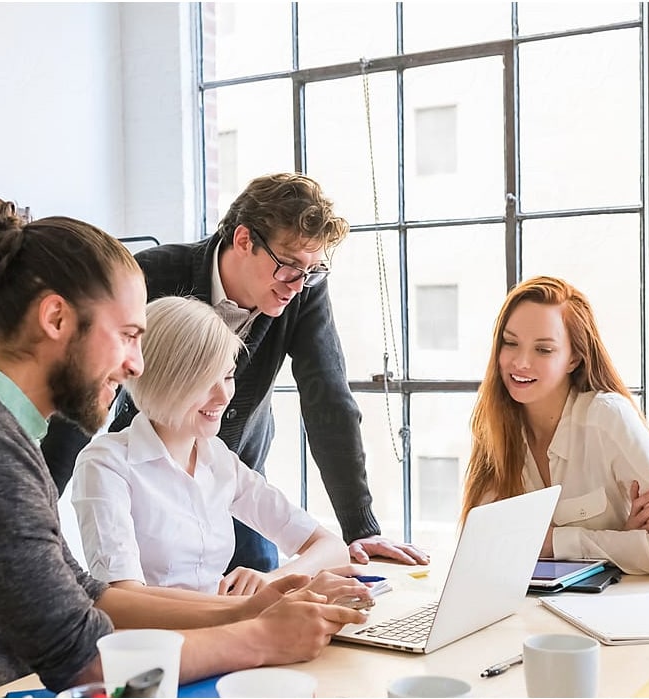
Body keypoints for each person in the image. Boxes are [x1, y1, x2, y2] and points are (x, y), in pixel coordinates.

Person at [0, 194, 367, 698]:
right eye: (128, 335)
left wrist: (251, 607)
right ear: (56, 318)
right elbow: (83, 661)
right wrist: (262, 637)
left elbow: (96, 599)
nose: (137, 365)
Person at [43, 172, 428, 572]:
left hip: (235, 473)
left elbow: (327, 398)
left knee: (260, 585)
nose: (299, 284)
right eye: (290, 265)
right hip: (150, 474)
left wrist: (358, 527)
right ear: (244, 240)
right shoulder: (153, 275)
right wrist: (37, 518)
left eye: (313, 269)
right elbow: (87, 386)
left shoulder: (304, 290)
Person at [73, 296, 350, 597]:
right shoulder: (106, 463)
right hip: (151, 642)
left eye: (228, 376)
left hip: (224, 629)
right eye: (207, 381)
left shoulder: (217, 459)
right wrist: (248, 608)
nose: (223, 396)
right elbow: (125, 600)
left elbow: (332, 548)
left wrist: (273, 582)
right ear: (163, 380)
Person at [461, 275, 649, 576]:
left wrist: (556, 542)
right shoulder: (496, 426)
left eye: (544, 349)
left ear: (574, 358)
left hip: (618, 613)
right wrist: (621, 542)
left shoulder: (608, 418)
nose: (521, 362)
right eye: (511, 343)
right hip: (529, 613)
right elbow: (482, 550)